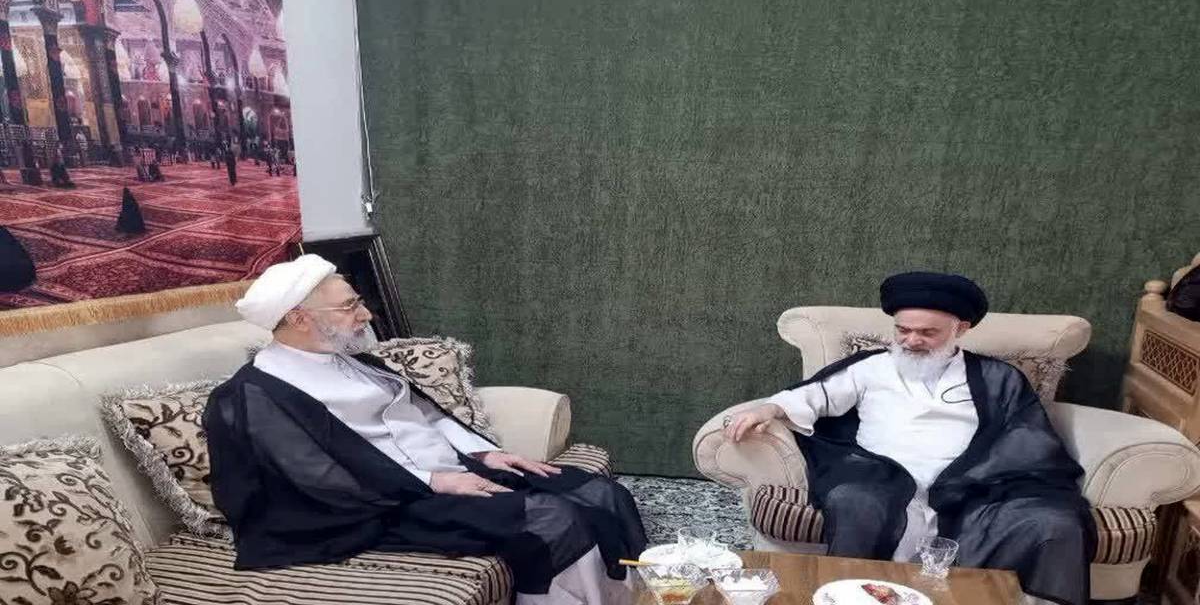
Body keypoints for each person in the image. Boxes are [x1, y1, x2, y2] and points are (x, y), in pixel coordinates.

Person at [203, 256, 646, 604]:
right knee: (551, 519)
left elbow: (427, 415)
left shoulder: (352, 359)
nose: (366, 314)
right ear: (298, 318)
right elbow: (315, 478)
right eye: (349, 306)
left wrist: (484, 454)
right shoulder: (253, 395)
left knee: (600, 493)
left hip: (447, 471)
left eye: (358, 301)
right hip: (381, 504)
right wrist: (432, 481)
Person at [724, 272, 1095, 605]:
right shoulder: (871, 367)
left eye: (927, 333)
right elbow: (814, 395)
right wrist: (768, 409)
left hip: (973, 486)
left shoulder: (997, 377)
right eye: (903, 330)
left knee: (1054, 522)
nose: (912, 340)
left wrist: (979, 476)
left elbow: (1025, 435)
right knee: (855, 501)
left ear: (961, 329)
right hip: (881, 477)